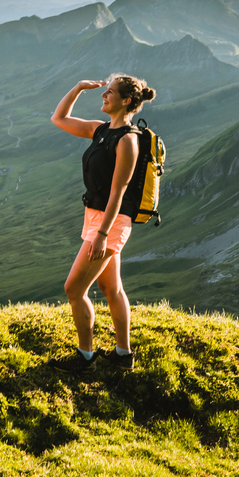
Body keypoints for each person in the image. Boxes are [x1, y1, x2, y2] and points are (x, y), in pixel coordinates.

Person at [47, 74, 156, 372]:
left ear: (126, 101)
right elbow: (60, 118)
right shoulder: (101, 130)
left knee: (74, 289)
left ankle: (85, 357)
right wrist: (79, 87)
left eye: (109, 93)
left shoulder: (129, 141)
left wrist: (102, 234)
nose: (103, 96)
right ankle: (123, 355)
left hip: (112, 223)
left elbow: (119, 191)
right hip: (96, 218)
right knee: (112, 289)